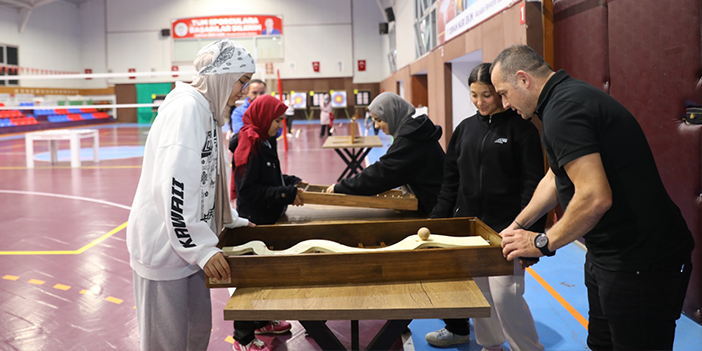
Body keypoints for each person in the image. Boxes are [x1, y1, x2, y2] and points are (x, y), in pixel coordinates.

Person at [492, 44, 694, 350]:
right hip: (606, 255)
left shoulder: (564, 109)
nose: (504, 103)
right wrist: (518, 224)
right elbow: (555, 177)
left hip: (641, 261)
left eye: (503, 92)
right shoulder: (559, 103)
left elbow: (595, 197)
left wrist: (541, 242)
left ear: (523, 79)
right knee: (601, 343)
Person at [126, 39, 256, 351]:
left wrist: (229, 219)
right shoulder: (185, 109)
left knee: (194, 335)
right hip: (165, 249)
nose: (243, 90)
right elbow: (173, 185)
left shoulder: (208, 111)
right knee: (167, 343)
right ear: (222, 75)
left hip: (189, 247)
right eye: (242, 80)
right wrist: (200, 248)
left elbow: (209, 175)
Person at [424, 63, 544, 351]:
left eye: (487, 95)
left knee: (506, 298)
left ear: (500, 93)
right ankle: (491, 345)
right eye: (474, 95)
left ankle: (528, 348)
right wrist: (437, 220)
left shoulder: (522, 131)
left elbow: (534, 187)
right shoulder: (464, 130)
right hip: (469, 231)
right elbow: (450, 183)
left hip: (508, 232)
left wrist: (533, 237)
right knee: (481, 296)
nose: (479, 102)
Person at [325, 92, 445, 214]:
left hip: (436, 209)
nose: (376, 126)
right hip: (435, 202)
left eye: (379, 120)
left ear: (392, 115)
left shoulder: (410, 139)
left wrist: (342, 187)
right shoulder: (414, 131)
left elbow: (381, 173)